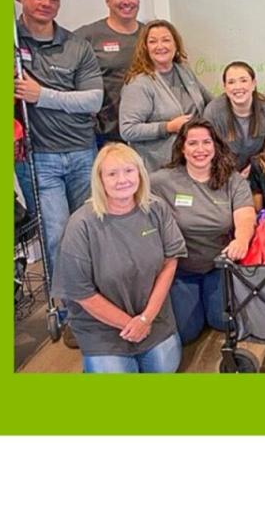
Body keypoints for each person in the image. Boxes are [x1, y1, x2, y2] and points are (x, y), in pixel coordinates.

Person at [51, 143, 186, 372]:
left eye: (129, 171)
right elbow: (82, 293)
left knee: (163, 370)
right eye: (112, 174)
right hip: (102, 329)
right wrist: (130, 324)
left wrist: (146, 319)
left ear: (140, 174)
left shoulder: (156, 209)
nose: (122, 180)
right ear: (100, 180)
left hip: (153, 319)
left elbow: (170, 261)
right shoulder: (80, 225)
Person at [14, 0, 103, 278]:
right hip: (38, 157)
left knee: (89, 230)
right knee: (55, 236)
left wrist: (42, 95)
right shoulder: (10, 41)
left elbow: (93, 100)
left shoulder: (76, 45)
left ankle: (91, 296)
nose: (46, 3)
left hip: (82, 152)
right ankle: (66, 309)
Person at [150, 120, 254, 345]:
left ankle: (208, 305)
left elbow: (245, 214)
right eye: (193, 143)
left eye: (206, 142)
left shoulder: (232, 179)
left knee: (223, 323)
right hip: (181, 268)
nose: (200, 149)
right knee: (186, 333)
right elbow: (132, 192)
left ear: (215, 146)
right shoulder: (162, 181)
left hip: (218, 266)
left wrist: (242, 239)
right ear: (182, 148)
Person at [119, 19, 214, 172]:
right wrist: (168, 127)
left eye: (166, 40)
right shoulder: (138, 83)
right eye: (153, 41)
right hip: (160, 169)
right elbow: (128, 130)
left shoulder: (184, 70)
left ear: (175, 45)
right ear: (145, 47)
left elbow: (211, 102)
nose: (160, 46)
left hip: (192, 163)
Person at [73, 0, 144, 145]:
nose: (126, 1)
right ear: (107, 0)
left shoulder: (151, 35)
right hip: (104, 135)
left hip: (145, 132)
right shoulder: (87, 36)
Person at [203, 61, 265, 173]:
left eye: (243, 80)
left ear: (254, 84)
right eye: (231, 82)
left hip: (259, 172)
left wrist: (254, 168)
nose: (238, 87)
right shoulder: (213, 112)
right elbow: (209, 151)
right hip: (222, 173)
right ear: (225, 87)